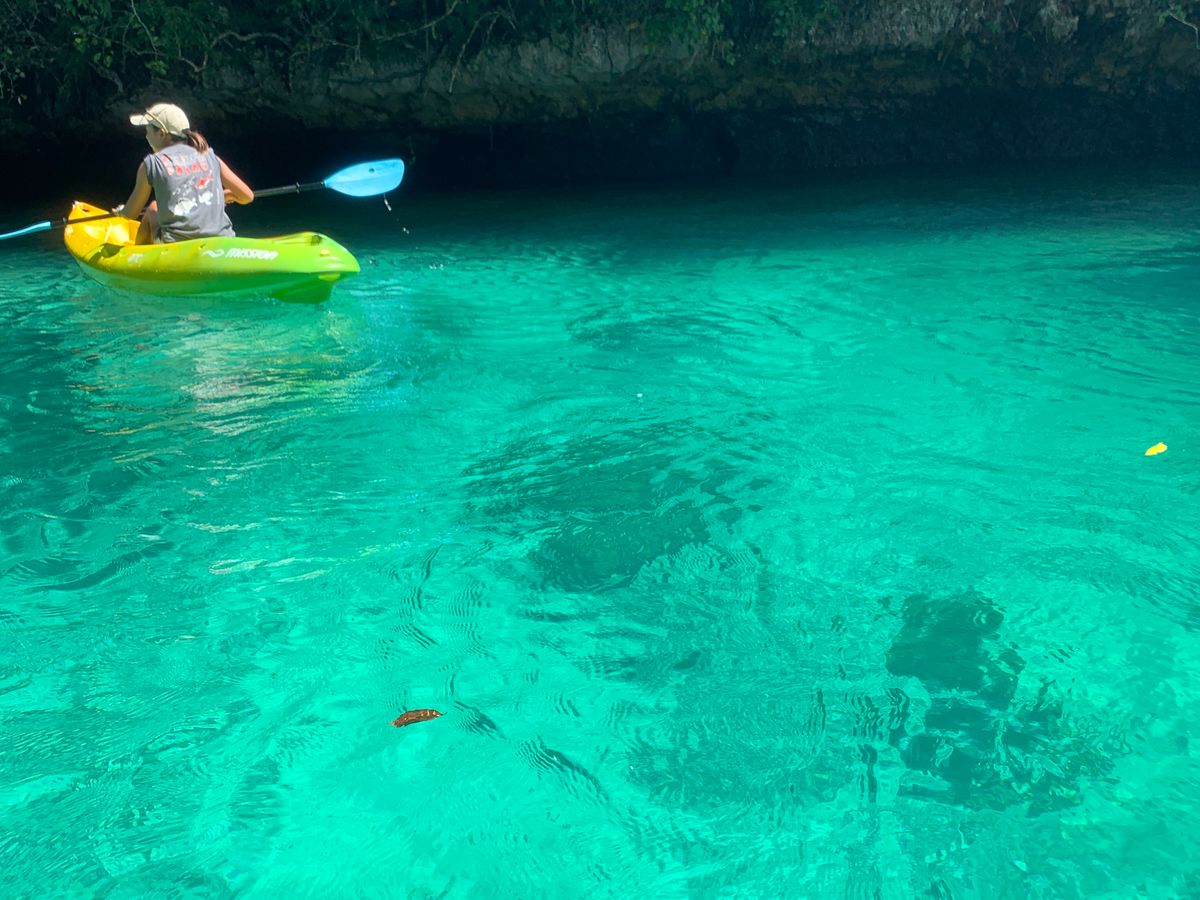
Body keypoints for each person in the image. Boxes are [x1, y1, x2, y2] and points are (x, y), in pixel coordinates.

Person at [119, 103, 254, 244]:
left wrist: (121, 212)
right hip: (222, 240)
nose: (146, 136)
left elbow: (130, 214)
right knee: (155, 208)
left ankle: (137, 253)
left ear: (161, 133)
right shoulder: (209, 155)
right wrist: (224, 195)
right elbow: (247, 197)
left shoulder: (151, 164)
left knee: (153, 208)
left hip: (177, 246)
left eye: (148, 130)